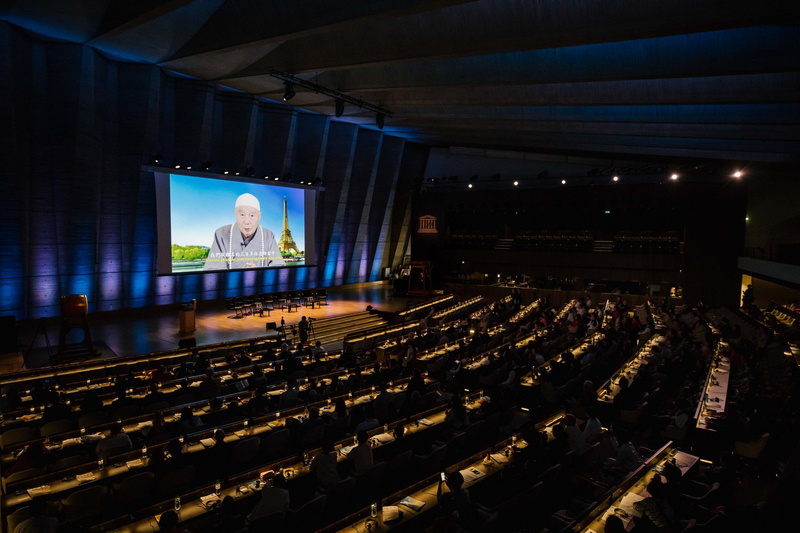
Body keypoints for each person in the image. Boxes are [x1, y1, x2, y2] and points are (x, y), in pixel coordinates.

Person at [204, 193, 285, 270]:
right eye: (242, 215)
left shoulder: (268, 235)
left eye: (252, 215)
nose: (247, 221)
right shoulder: (221, 233)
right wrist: (239, 275)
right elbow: (212, 271)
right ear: (235, 214)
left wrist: (259, 273)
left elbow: (279, 269)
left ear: (259, 216)